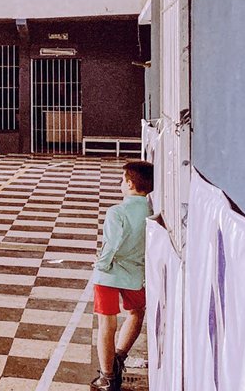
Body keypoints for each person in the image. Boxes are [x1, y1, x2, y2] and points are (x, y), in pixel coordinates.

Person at [90, 161, 154, 391]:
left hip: (109, 275)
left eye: (121, 180)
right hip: (136, 274)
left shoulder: (117, 212)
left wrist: (101, 265)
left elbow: (112, 244)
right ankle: (119, 357)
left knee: (106, 324)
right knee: (136, 313)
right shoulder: (152, 211)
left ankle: (107, 377)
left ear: (129, 184)